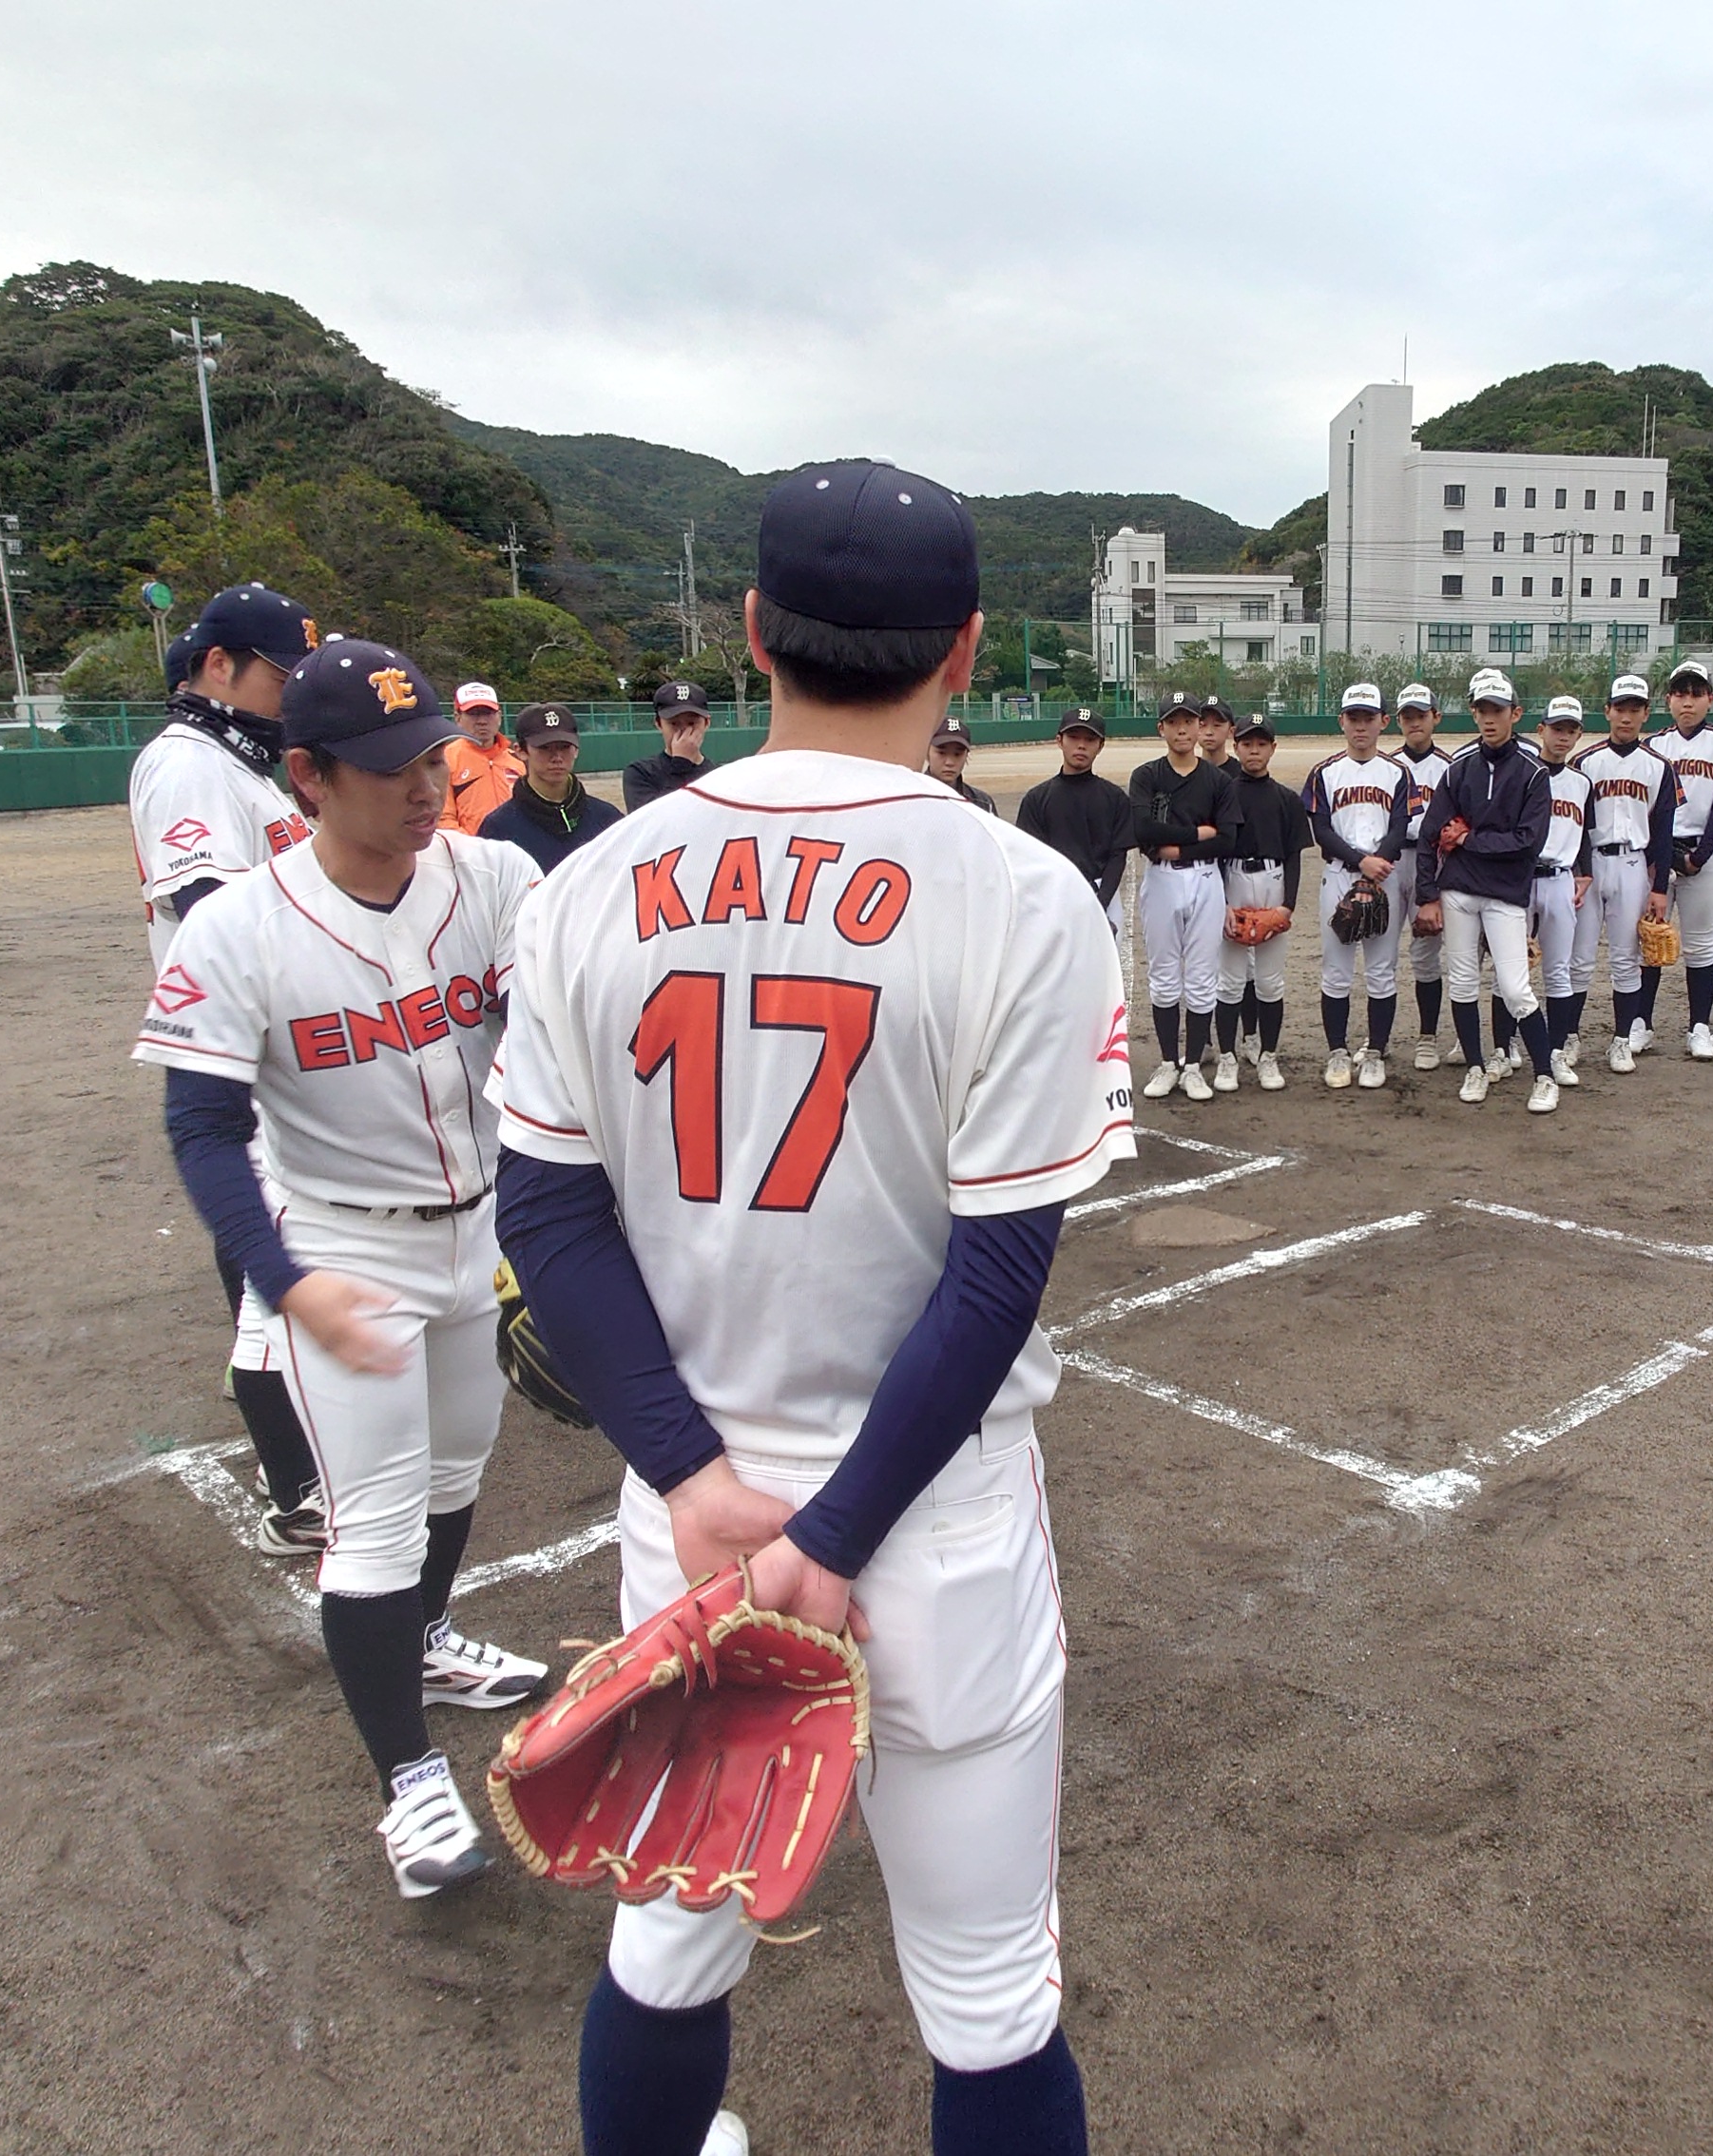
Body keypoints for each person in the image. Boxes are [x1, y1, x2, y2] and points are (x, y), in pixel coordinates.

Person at [493, 458, 1119, 2156]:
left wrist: (698, 1483)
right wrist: (829, 1538)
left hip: (688, 1508)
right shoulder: (1018, 891)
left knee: (668, 1937)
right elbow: (998, 1266)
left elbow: (542, 1207)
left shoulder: (587, 878)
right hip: (928, 1516)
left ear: (754, 627)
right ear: (967, 649)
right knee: (987, 1994)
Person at [132, 638, 558, 1901]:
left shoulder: (491, 878)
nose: (425, 786)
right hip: (345, 1245)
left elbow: (558, 1043)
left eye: (432, 754)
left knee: (458, 1467)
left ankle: (426, 1639)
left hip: (478, 1230)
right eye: (388, 769)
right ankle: (408, 1784)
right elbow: (200, 1130)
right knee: (371, 1522)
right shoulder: (237, 931)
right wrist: (283, 1276)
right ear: (310, 775)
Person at [130, 583, 329, 1550]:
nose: (289, 693)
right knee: (266, 1266)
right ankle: (295, 1487)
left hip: (276, 1038)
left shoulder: (242, 767)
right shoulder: (188, 764)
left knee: (285, 1253)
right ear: (218, 666)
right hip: (234, 1044)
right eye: (278, 675)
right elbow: (209, 899)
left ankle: (306, 1459)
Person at [130, 583, 318, 969]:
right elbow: (212, 924)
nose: (293, 702)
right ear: (219, 665)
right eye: (283, 683)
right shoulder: (188, 764)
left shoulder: (234, 758)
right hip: (235, 1017)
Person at [1410, 668, 1559, 1112]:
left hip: (1505, 894)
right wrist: (1426, 894)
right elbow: (1432, 834)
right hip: (1457, 891)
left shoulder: (1534, 773)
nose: (1489, 718)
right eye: (1482, 710)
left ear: (1515, 713)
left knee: (1514, 989)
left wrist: (1470, 839)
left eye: (1498, 710)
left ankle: (1545, 1074)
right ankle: (1476, 1065)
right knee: (1462, 982)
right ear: (1473, 713)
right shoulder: (1459, 770)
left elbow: (1528, 842)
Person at [1300, 685, 1413, 1089]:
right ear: (1342, 721)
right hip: (1340, 875)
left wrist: (1377, 862)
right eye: (1353, 717)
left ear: (1383, 721)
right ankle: (1337, 1052)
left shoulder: (1397, 772)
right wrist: (1360, 861)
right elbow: (1321, 829)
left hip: (1385, 875)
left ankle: (1376, 1052)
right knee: (1336, 971)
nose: (1360, 726)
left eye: (1369, 718)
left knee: (1382, 971)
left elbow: (1401, 825)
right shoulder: (1325, 772)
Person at [1129, 694, 1240, 1102]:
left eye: (1188, 721)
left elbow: (1228, 838)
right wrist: (1196, 835)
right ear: (1161, 728)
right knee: (1162, 976)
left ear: (1198, 727)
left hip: (1206, 880)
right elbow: (1142, 830)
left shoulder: (1219, 781)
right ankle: (1167, 1061)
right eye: (1172, 722)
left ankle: (1193, 1064)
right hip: (1160, 880)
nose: (1182, 729)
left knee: (1200, 976)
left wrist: (1178, 847)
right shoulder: (1147, 775)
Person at [1642, 655, 1713, 1059]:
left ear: (1710, 699)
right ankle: (1640, 1024)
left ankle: (1698, 1027)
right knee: (1650, 940)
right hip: (1661, 850)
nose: (1688, 702)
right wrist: (1661, 856)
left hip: (1705, 850)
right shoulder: (1654, 745)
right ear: (1668, 699)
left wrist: (1700, 856)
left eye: (1696, 694)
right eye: (1680, 693)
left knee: (1701, 944)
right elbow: (1648, 808)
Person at [1210, 711, 1308, 1090]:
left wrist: (1288, 906)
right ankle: (1227, 1058)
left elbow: (1295, 855)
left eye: (1261, 743)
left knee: (1269, 980)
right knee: (1230, 980)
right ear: (1236, 746)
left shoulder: (1286, 798)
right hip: (1232, 878)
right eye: (1247, 744)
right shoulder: (1223, 794)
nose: (1254, 751)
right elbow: (1216, 851)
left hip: (1273, 879)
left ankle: (1268, 1055)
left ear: (1272, 748)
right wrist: (1220, 902)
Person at [1575, 675, 1668, 1068]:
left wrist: (1659, 887)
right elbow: (1576, 825)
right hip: (1592, 863)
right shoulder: (1586, 762)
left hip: (1633, 863)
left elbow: (1663, 830)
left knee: (1627, 957)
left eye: (1635, 709)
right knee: (1577, 958)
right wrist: (1579, 873)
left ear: (1646, 713)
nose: (1626, 717)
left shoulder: (1658, 766)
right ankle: (1568, 1036)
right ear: (1607, 711)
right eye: (1620, 708)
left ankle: (1620, 1039)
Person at [1529, 694, 1595, 1088]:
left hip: (1559, 879)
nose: (1563, 737)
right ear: (1541, 730)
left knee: (1558, 971)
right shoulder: (1522, 772)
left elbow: (1585, 832)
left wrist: (1583, 872)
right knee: (1513, 971)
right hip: (1521, 879)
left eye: (1570, 731)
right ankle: (1504, 1048)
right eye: (1557, 729)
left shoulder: (1581, 783)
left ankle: (1554, 1053)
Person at [1391, 686, 1456, 1067]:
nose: (1415, 722)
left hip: (1433, 863)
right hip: (1392, 859)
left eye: (1422, 714)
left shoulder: (1451, 767)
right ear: (1398, 720)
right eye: (1408, 715)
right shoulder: (1386, 764)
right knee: (1382, 952)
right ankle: (1379, 1034)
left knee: (1426, 953)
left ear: (1436, 717)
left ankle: (1427, 1037)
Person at [1011, 708, 1132, 914]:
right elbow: (1031, 858)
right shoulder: (1037, 798)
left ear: (1100, 745)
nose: (1081, 745)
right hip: (1053, 894)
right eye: (1074, 737)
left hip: (1102, 891)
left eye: (1090, 739)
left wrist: (1100, 903)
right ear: (1059, 740)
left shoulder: (1115, 798)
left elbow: (1117, 856)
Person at [477, 704, 626, 869]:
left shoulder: (607, 818)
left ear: (576, 749)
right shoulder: (499, 827)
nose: (557, 757)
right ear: (520, 751)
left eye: (564, 747)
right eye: (544, 748)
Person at [441, 681, 525, 834]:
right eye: (473, 714)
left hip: (517, 850)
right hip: (469, 853)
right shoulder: (444, 761)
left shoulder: (518, 761)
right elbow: (444, 819)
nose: (482, 721)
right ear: (457, 717)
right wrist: (474, 849)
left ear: (499, 717)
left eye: (488, 713)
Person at [619, 681, 712, 812]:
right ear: (658, 724)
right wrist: (681, 763)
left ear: (707, 723)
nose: (683, 731)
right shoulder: (640, 773)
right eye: (674, 723)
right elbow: (649, 822)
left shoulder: (719, 775)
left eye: (692, 723)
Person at [925, 716, 997, 812]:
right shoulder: (910, 800)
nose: (949, 763)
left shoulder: (982, 803)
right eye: (942, 753)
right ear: (926, 752)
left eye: (957, 754)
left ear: (966, 755)